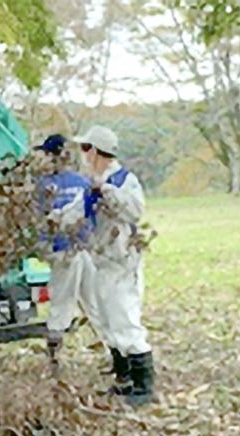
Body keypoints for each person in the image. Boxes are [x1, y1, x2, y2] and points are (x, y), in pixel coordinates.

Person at [71, 125, 155, 406]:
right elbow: (76, 212)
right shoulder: (89, 182)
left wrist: (105, 190)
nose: (82, 154)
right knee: (107, 320)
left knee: (125, 318)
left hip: (121, 261)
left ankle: (144, 388)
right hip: (100, 261)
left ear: (95, 150)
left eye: (85, 148)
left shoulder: (123, 179)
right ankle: (124, 378)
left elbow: (134, 210)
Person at [34, 134, 104, 368]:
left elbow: (38, 222)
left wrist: (43, 249)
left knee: (61, 304)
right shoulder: (82, 181)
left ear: (51, 155)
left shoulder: (41, 185)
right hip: (86, 248)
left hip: (62, 251)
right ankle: (115, 355)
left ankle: (55, 359)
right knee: (94, 302)